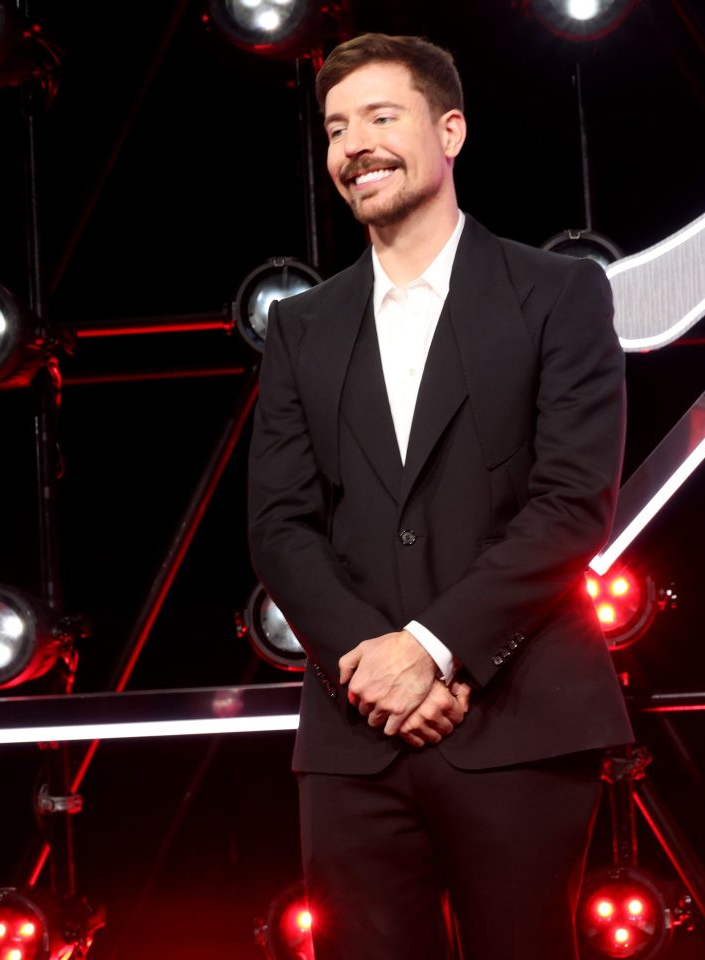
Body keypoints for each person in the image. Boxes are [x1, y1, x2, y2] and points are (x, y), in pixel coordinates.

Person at [247, 32, 632, 960]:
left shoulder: (557, 294)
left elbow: (573, 503)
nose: (354, 146)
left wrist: (430, 649)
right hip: (354, 738)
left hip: (521, 720)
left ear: (449, 130)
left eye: (382, 117)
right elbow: (280, 526)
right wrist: (373, 668)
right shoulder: (302, 326)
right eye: (337, 128)